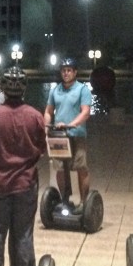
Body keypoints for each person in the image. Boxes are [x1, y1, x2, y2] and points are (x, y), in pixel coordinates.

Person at [0, 66, 47, 266]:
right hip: (25, 184)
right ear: (24, 88)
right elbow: (41, 149)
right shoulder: (35, 116)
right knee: (24, 233)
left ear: (3, 89)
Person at [43, 57, 92, 211]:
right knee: (59, 168)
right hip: (59, 135)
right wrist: (46, 128)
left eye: (69, 70)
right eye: (63, 70)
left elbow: (85, 112)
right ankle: (65, 199)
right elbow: (48, 111)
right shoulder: (55, 90)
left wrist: (72, 124)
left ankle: (84, 202)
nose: (66, 73)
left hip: (76, 134)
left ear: (75, 72)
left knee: (80, 167)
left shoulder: (82, 89)